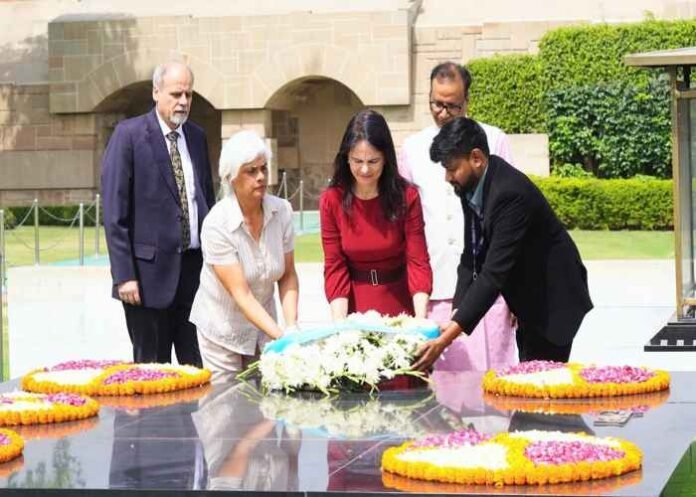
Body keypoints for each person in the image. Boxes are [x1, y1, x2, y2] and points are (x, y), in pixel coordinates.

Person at [413, 117, 592, 371]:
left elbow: (492, 274)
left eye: (451, 168)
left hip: (554, 301)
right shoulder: (472, 185)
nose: (447, 177)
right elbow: (471, 255)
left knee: (542, 381)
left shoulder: (509, 194)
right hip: (527, 297)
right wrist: (457, 311)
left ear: (476, 158)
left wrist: (445, 340)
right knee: (528, 376)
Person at [399, 61, 517, 371]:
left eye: (452, 105)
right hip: (436, 285)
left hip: (489, 287)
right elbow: (405, 224)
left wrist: (516, 294)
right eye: (436, 104)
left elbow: (512, 221)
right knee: (441, 383)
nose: (443, 112)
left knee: (492, 379)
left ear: (467, 101)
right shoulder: (412, 148)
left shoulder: (494, 140)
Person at [101, 60, 215, 367]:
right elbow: (114, 213)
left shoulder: (197, 137)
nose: (183, 102)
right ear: (156, 92)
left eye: (188, 95)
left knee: (196, 368)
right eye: (176, 94)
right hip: (146, 280)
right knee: (153, 371)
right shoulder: (129, 136)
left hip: (194, 274)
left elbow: (206, 199)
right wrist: (124, 276)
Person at [189, 130, 299, 379]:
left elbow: (288, 275)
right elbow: (242, 295)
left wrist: (292, 326)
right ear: (231, 178)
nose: (261, 177)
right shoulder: (216, 224)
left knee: (267, 398)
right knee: (226, 400)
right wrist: (283, 338)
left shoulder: (282, 211)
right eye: (251, 171)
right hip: (222, 333)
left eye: (264, 168)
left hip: (265, 328)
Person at [320, 109, 432, 319]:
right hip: (353, 308)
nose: (364, 170)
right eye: (357, 161)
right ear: (346, 158)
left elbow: (418, 260)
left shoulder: (407, 197)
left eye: (373, 161)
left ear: (386, 158)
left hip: (400, 304)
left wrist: (420, 320)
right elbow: (334, 266)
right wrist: (340, 325)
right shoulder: (332, 200)